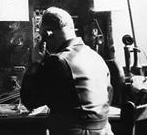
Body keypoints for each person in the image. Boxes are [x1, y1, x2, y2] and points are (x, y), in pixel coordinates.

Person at [20, 7, 114, 135]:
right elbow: (109, 93)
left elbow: (29, 101)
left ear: (47, 35)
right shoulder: (95, 57)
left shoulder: (58, 60)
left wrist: (36, 62)